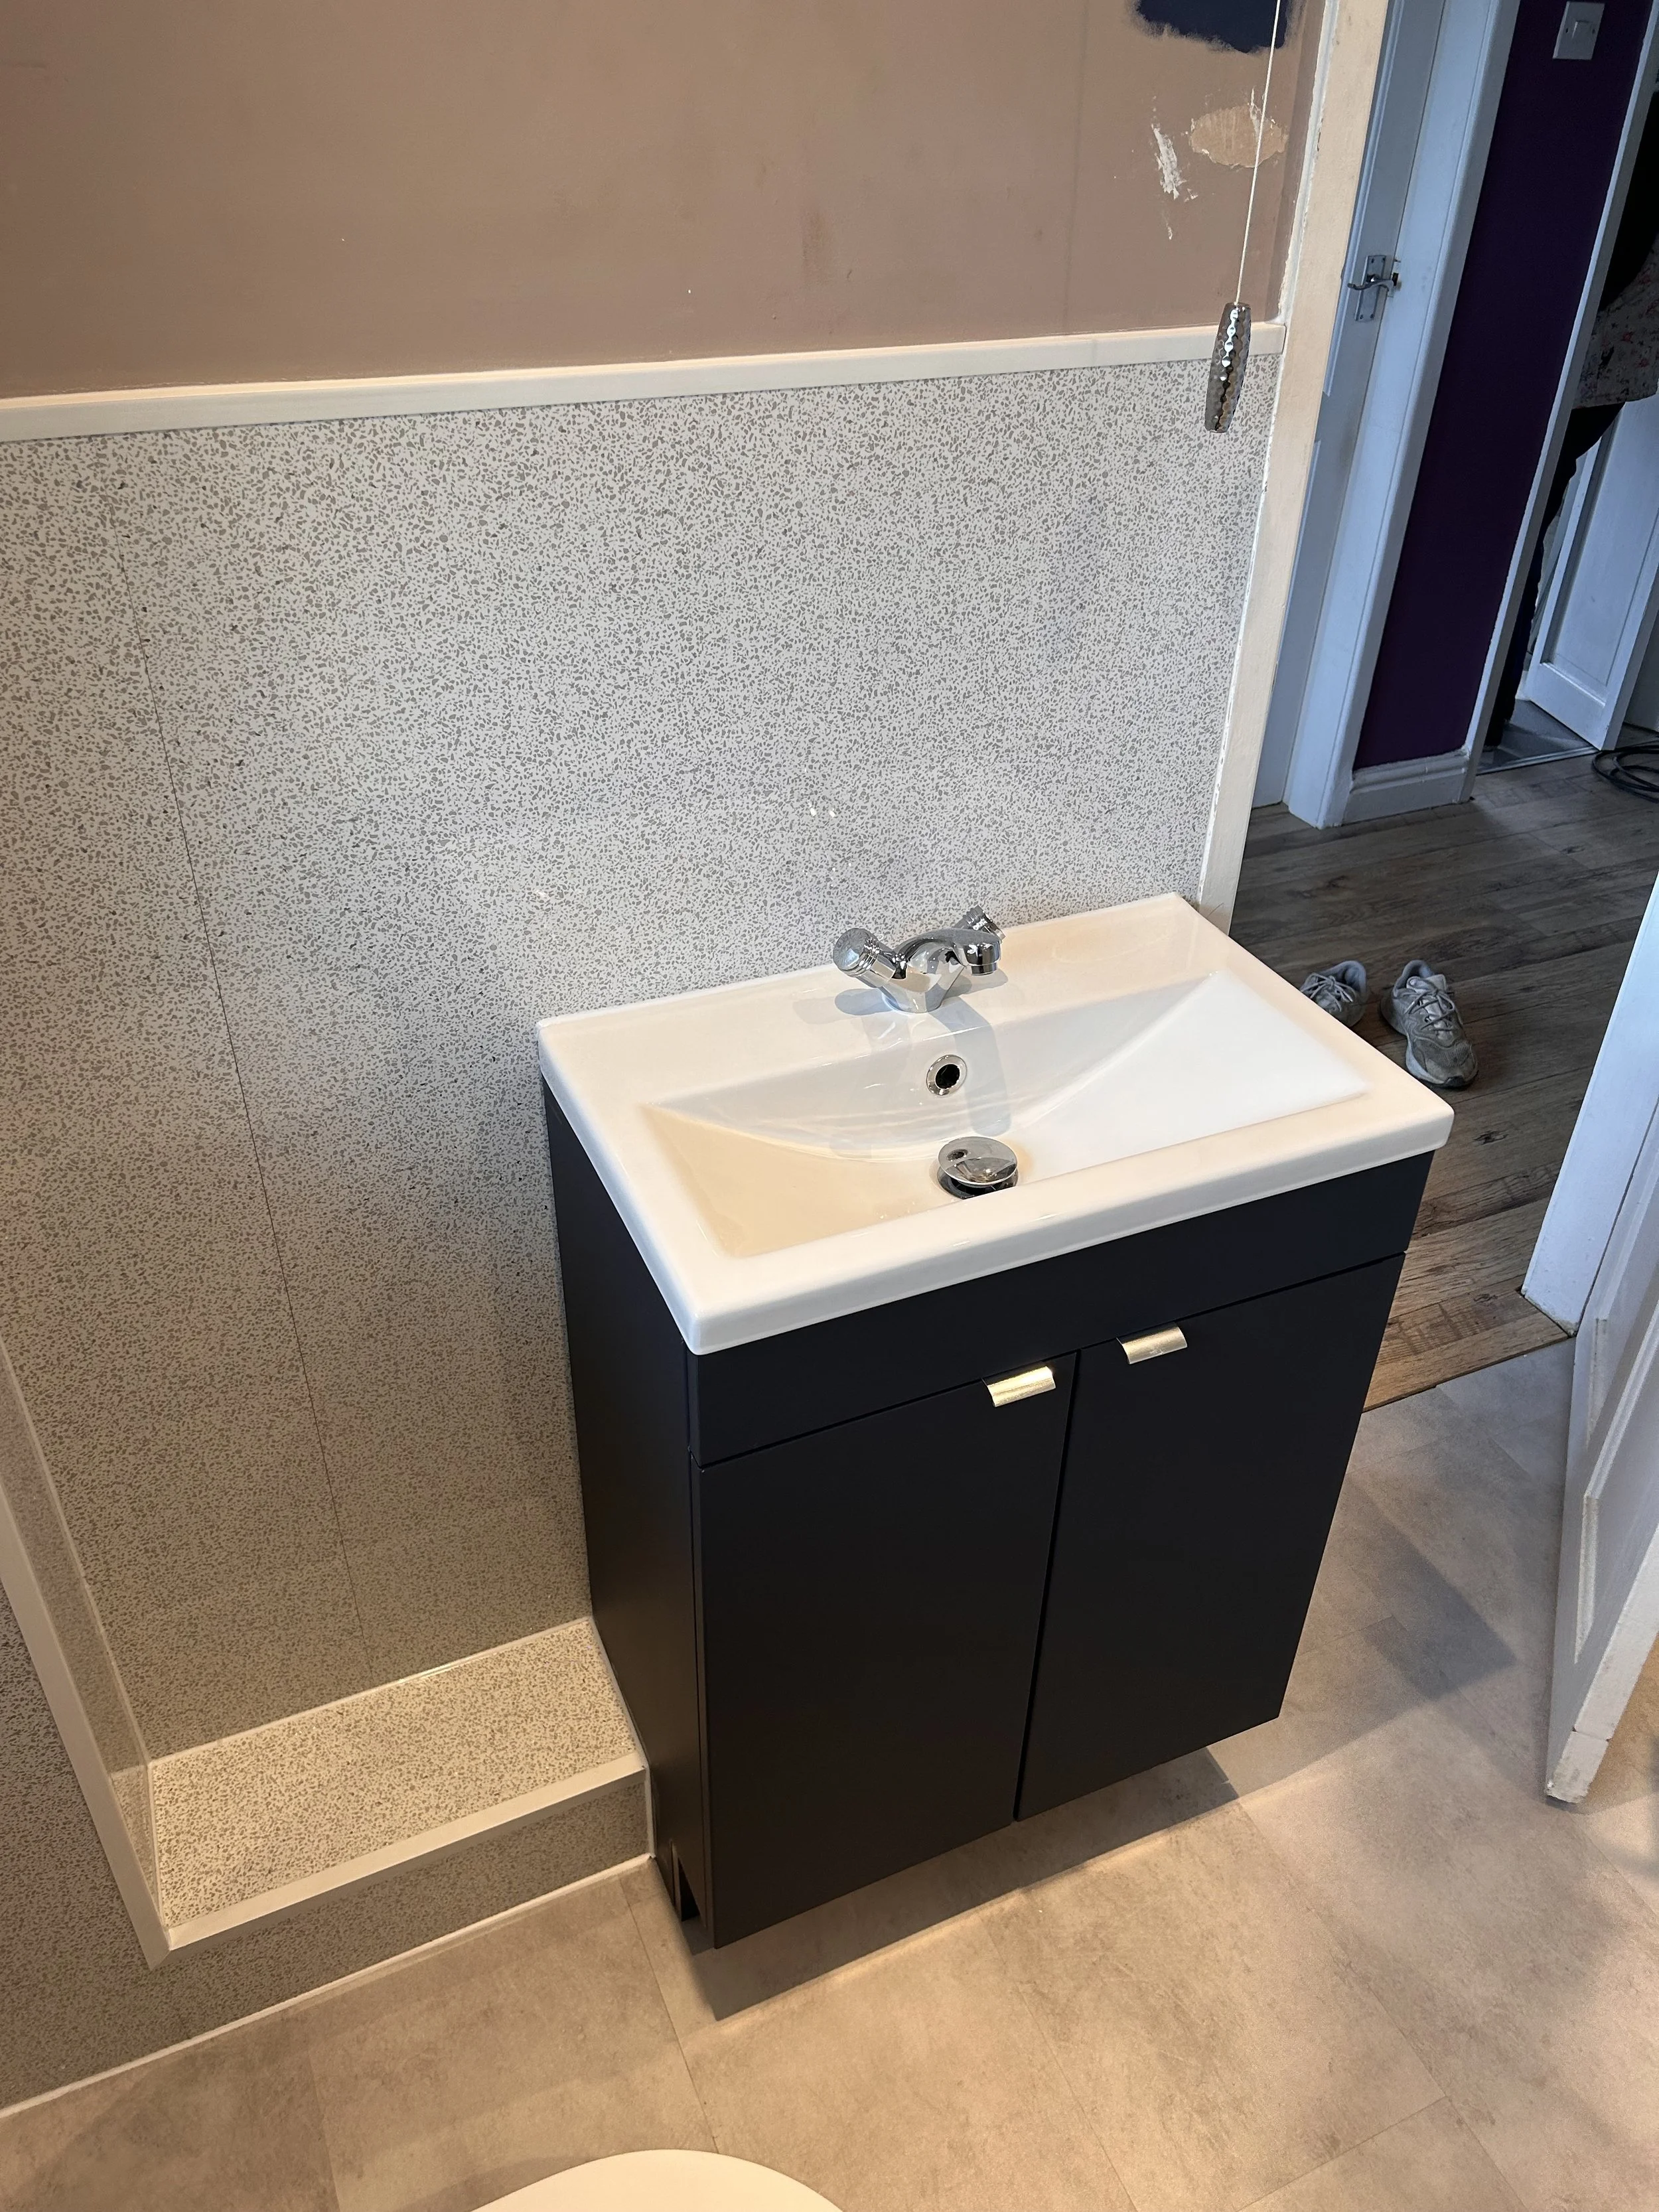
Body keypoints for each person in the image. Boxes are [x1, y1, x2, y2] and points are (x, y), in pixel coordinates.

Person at [1487, 98, 1659, 745]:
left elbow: (1613, 262)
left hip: (1593, 363)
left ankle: (1488, 707)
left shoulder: (1645, 127)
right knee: (1529, 519)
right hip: (1612, 366)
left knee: (1520, 520)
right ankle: (1492, 706)